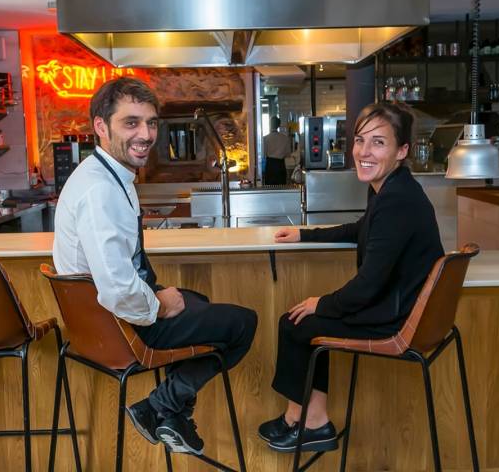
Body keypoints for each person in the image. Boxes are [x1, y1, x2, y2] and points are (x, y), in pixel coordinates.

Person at [53, 78, 257, 455]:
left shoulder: (104, 174)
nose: (146, 133)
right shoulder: (101, 191)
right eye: (131, 123)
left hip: (100, 323)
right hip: (118, 328)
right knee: (243, 323)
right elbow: (116, 288)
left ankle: (166, 408)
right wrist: (160, 304)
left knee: (198, 300)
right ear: (101, 126)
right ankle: (161, 406)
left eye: (151, 123)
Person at [258, 103, 444, 453]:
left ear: (401, 151)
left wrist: (322, 304)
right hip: (400, 306)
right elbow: (362, 230)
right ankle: (308, 420)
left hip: (397, 318)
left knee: (297, 322)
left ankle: (304, 421)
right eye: (360, 141)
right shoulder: (393, 189)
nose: (363, 152)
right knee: (305, 320)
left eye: (378, 143)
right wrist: (305, 235)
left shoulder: (396, 199)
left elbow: (368, 286)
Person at [262, 116, 293, 185]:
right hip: (280, 165)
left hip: (270, 165)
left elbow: (263, 153)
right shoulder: (285, 138)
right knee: (281, 188)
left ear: (270, 124)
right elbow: (288, 154)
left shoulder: (265, 138)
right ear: (279, 125)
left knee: (270, 189)